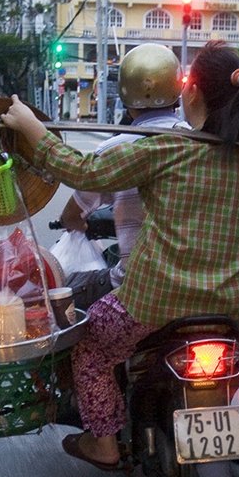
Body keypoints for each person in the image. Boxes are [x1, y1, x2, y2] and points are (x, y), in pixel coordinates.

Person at [1, 40, 239, 470]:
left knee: (90, 349)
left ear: (191, 93)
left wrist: (32, 128)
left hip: (148, 302)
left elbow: (84, 172)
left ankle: (104, 442)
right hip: (235, 304)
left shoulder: (164, 151)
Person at [59, 43, 190, 311]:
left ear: (125, 97)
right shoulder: (198, 143)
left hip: (135, 289)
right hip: (197, 283)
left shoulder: (114, 149)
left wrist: (79, 225)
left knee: (64, 296)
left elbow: (72, 216)